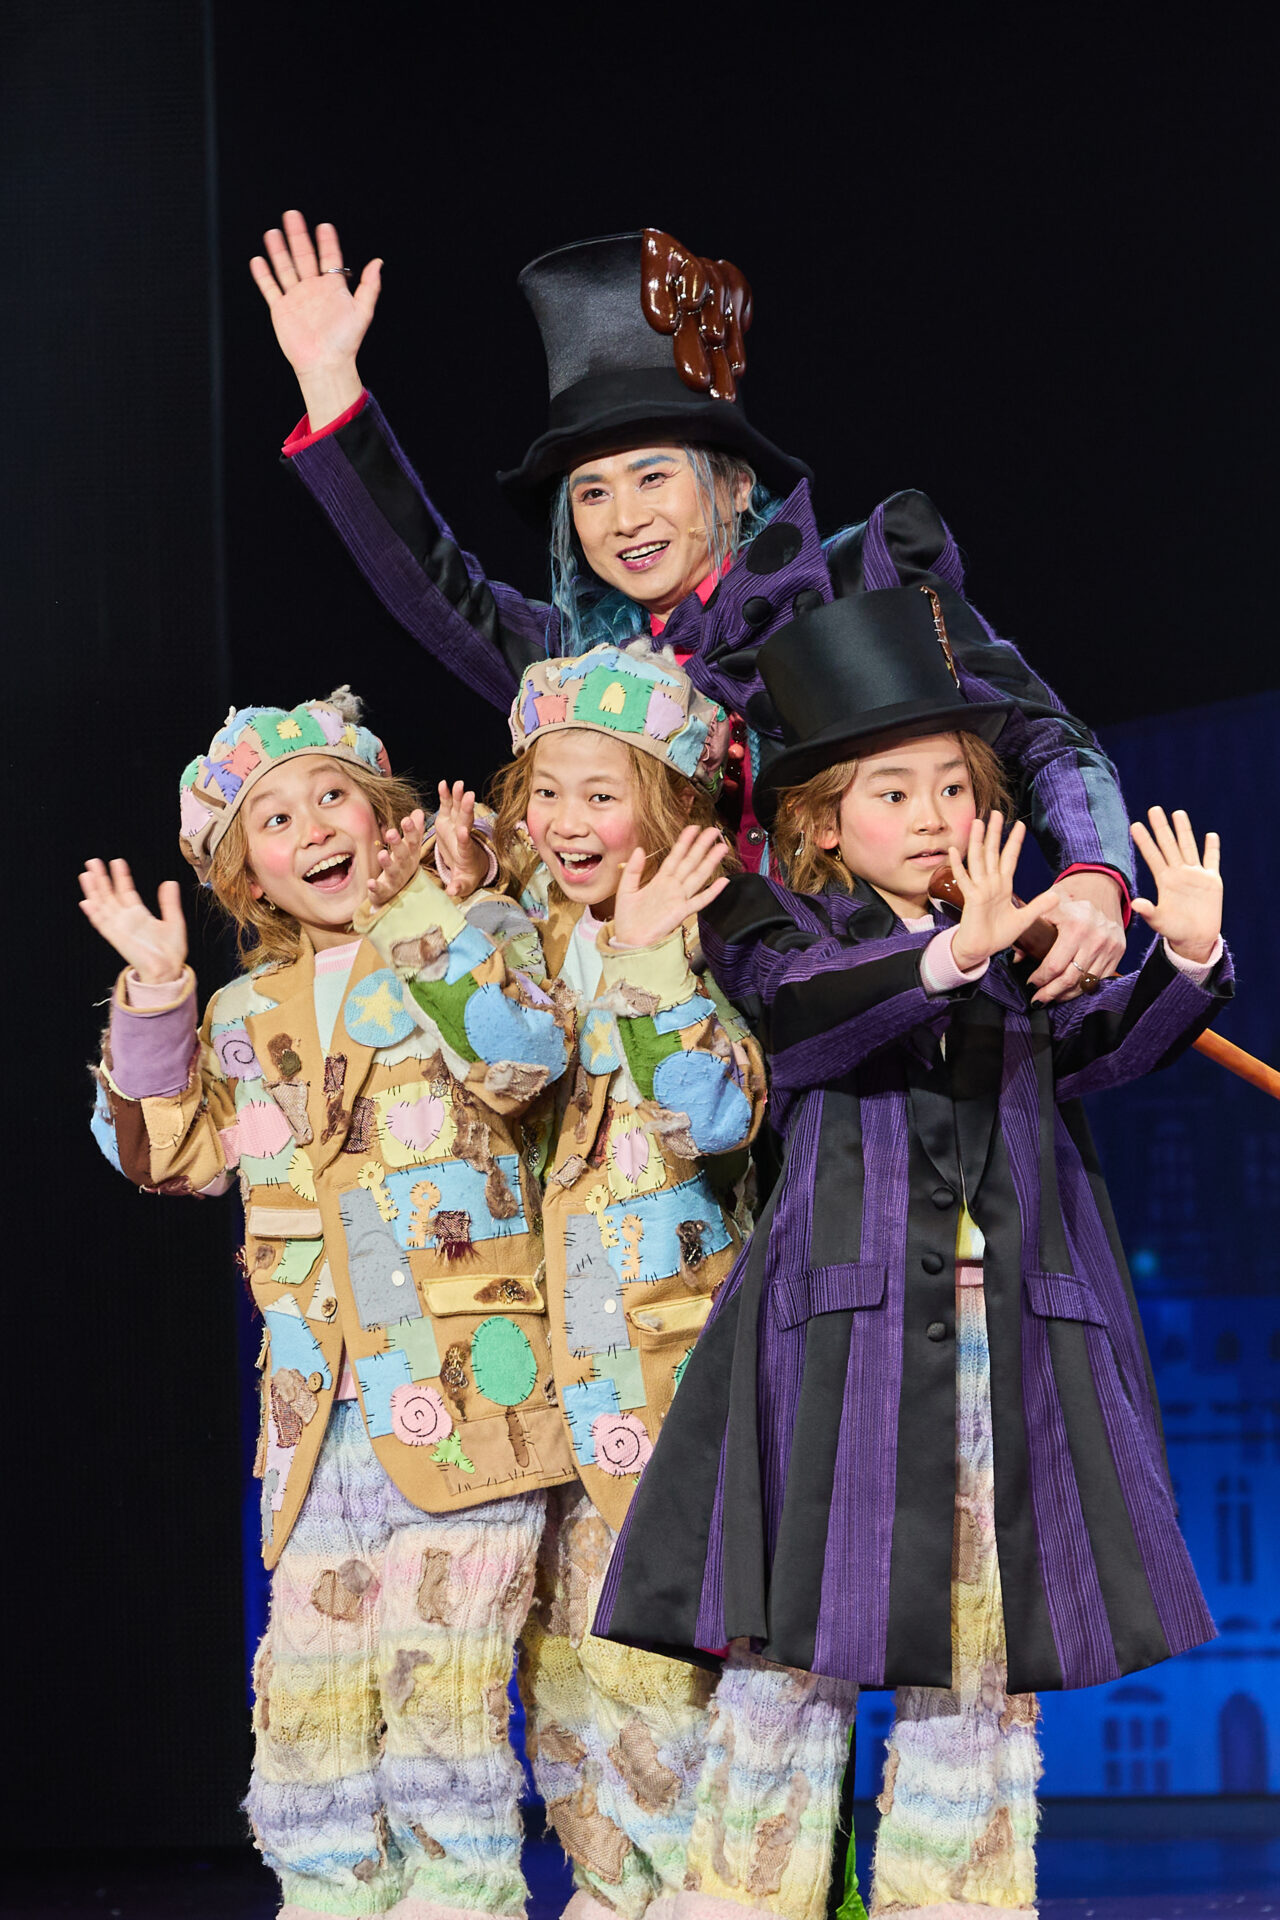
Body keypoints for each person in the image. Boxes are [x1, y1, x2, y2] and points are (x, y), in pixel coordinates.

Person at [595, 584, 1230, 1920]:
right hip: (838, 1353)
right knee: (790, 1671)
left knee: (979, 1672)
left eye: (953, 786)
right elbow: (801, 1020)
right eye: (894, 793)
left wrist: (1183, 962)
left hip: (1010, 1354)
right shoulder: (777, 927)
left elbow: (1099, 1049)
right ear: (823, 823)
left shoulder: (1016, 945)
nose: (933, 813)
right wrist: (948, 959)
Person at [249, 213, 1131, 1002]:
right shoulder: (583, 671)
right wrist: (330, 383)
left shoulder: (859, 581)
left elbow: (1043, 733)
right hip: (665, 1050)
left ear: (736, 485)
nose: (624, 519)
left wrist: (1093, 875)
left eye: (653, 477)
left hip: (883, 1022)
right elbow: (440, 594)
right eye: (592, 494)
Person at [80, 690, 574, 1920]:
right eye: (273, 819)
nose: (310, 828)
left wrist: (425, 920)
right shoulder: (244, 1014)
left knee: (444, 1709)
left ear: (382, 810)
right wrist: (156, 995)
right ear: (243, 873)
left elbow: (523, 1060)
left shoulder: (474, 932)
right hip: (317, 1423)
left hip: (471, 1399)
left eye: (331, 797)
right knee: (307, 1731)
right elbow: (169, 1157)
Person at [375, 639, 777, 1920]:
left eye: (600, 794)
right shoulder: (527, 929)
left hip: (661, 1375)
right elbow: (508, 1068)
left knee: (663, 1689)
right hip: (529, 1375)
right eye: (543, 791)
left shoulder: (728, 933)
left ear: (669, 804)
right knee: (561, 1704)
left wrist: (653, 966)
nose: (562, 819)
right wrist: (449, 915)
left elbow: (715, 1117)